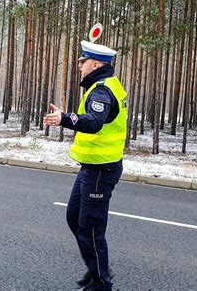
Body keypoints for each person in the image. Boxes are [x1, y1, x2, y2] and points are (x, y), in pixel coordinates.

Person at [44, 40, 127, 291]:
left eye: (82, 62)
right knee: (74, 218)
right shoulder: (101, 85)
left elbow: (93, 122)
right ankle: (97, 270)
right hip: (91, 167)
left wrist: (65, 118)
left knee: (90, 229)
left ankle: (101, 283)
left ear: (95, 64)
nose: (79, 66)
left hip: (102, 170)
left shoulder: (102, 91)